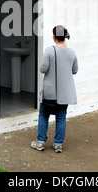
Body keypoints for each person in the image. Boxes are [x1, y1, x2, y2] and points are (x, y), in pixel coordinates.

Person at [31, 25, 78, 153]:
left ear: (54, 36)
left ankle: (40, 143)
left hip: (50, 92)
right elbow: (75, 70)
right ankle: (58, 144)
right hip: (65, 93)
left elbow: (42, 69)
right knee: (61, 117)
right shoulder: (72, 52)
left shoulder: (49, 50)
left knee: (43, 115)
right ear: (64, 36)